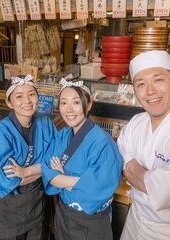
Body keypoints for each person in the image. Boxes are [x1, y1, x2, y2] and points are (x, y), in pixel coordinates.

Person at [42, 77, 123, 240]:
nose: (69, 110)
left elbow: (98, 187)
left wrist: (62, 178)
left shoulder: (103, 143)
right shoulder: (63, 135)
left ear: (89, 104)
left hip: (91, 221)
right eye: (64, 103)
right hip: (63, 213)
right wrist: (78, 181)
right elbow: (46, 167)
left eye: (76, 102)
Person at [0, 74, 57, 240]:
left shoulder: (45, 123)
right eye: (19, 96)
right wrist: (44, 169)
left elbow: (59, 159)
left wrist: (26, 171)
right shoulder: (1, 131)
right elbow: (6, 178)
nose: (27, 101)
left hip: (36, 203)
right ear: (9, 102)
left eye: (31, 94)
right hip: (9, 209)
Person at [117, 50, 170, 240]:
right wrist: (148, 179)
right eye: (141, 84)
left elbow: (165, 191)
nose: (150, 91)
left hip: (168, 231)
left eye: (158, 80)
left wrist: (134, 169)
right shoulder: (136, 122)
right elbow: (123, 157)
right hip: (134, 218)